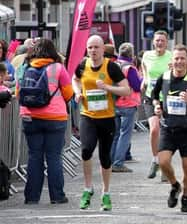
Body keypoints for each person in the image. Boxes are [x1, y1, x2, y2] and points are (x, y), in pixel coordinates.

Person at [72, 35, 131, 211]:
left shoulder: (111, 67)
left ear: (103, 49)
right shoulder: (83, 65)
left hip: (106, 117)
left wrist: (107, 88)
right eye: (90, 47)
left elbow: (126, 89)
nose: (93, 51)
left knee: (105, 157)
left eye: (96, 47)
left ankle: (105, 193)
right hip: (87, 115)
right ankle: (88, 188)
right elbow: (74, 79)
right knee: (86, 149)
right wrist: (77, 92)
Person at [152, 45, 187, 212]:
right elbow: (154, 96)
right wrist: (157, 106)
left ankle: (185, 198)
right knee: (163, 162)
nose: (179, 62)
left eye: (182, 58)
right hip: (168, 128)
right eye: (176, 58)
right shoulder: (165, 77)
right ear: (172, 61)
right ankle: (175, 186)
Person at [18, 39, 73, 205]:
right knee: (54, 157)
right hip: (54, 118)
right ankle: (57, 196)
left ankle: (32, 197)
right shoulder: (57, 68)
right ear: (52, 52)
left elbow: (18, 92)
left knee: (34, 156)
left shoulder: (24, 67)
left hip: (29, 117)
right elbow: (69, 93)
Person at [141, 30, 172, 179]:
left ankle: (165, 164)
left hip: (167, 98)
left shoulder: (171, 57)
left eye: (162, 41)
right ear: (153, 42)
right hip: (150, 97)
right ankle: (155, 160)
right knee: (154, 129)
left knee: (166, 132)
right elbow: (144, 68)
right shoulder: (147, 55)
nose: (159, 43)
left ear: (167, 43)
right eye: (157, 40)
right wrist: (144, 79)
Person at [111, 43, 143, 173]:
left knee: (115, 135)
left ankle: (111, 161)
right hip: (128, 104)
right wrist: (142, 78)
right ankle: (118, 163)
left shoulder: (114, 65)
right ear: (131, 54)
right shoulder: (130, 68)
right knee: (125, 135)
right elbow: (136, 86)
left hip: (114, 103)